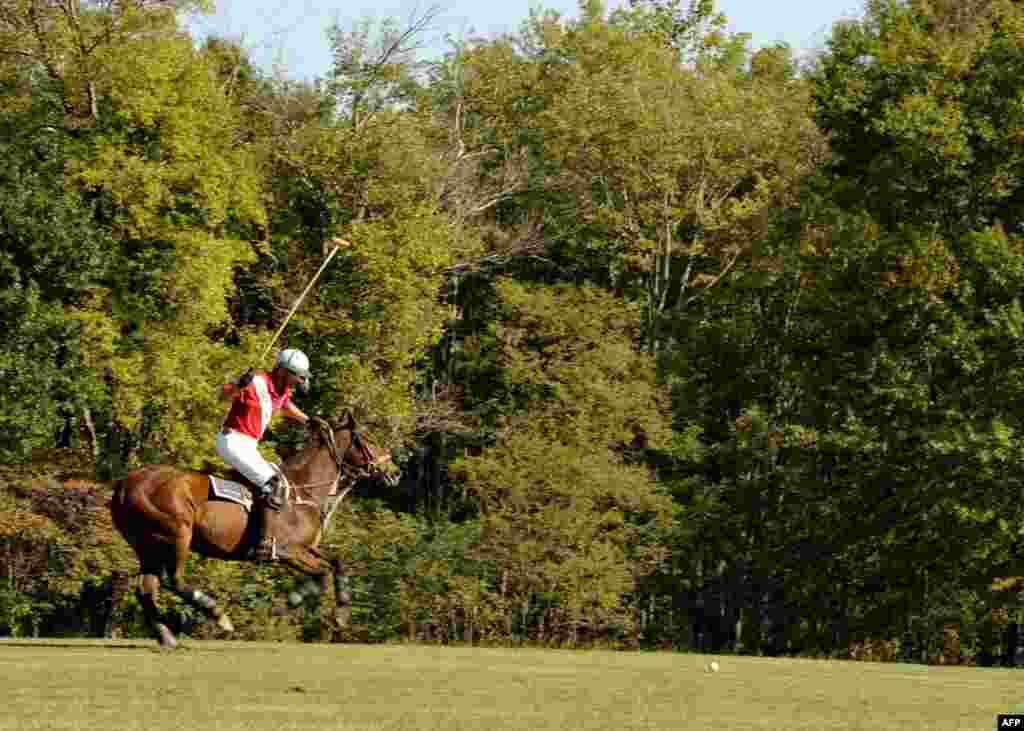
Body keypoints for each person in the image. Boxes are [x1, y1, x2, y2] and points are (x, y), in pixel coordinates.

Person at [216, 348, 314, 561]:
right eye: (297, 376)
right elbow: (222, 396)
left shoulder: (282, 389)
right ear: (282, 372)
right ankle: (264, 543)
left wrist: (308, 421)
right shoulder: (255, 381)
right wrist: (238, 385)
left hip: (249, 446)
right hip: (232, 441)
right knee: (273, 484)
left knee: (284, 484)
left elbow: (285, 405)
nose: (299, 381)